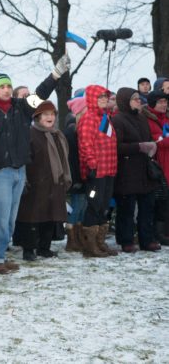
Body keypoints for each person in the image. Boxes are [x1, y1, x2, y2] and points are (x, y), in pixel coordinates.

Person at [0, 55, 70, 274]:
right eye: (1, 86)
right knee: (2, 219)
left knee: (11, 221)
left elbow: (41, 93)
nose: (5, 89)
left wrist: (56, 75)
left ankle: (1, 254)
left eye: (8, 85)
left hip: (20, 170)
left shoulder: (21, 108)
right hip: (1, 171)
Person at [14, 101, 72, 260]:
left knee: (50, 217)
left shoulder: (57, 134)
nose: (50, 117)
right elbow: (25, 158)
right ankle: (28, 250)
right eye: (46, 114)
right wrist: (25, 179)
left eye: (52, 114)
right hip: (35, 183)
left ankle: (44, 248)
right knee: (32, 218)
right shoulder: (31, 134)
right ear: (38, 117)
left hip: (54, 183)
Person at [112, 88, 160, 252]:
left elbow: (147, 139)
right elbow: (116, 147)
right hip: (127, 172)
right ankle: (126, 240)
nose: (139, 101)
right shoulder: (117, 120)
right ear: (125, 101)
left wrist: (152, 144)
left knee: (147, 207)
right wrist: (139, 147)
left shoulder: (141, 118)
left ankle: (146, 239)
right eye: (134, 99)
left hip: (144, 171)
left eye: (139, 99)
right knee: (126, 209)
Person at [77, 85, 118, 258]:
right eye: (100, 96)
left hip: (108, 170)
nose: (103, 99)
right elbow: (86, 145)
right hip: (96, 173)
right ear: (92, 98)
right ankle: (90, 246)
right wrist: (92, 165)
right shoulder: (88, 119)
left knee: (103, 206)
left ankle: (100, 243)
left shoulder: (106, 118)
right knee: (94, 206)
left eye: (105, 96)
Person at [143, 90, 169, 245]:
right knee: (160, 200)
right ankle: (159, 233)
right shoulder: (149, 120)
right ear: (153, 103)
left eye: (165, 102)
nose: (164, 104)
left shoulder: (165, 118)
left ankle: (164, 231)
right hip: (158, 165)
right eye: (161, 102)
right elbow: (157, 143)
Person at [63, 96, 88, 252]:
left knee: (82, 207)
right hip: (76, 176)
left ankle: (77, 237)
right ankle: (72, 240)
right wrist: (76, 178)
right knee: (77, 207)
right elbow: (72, 158)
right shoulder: (72, 131)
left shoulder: (79, 129)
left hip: (81, 176)